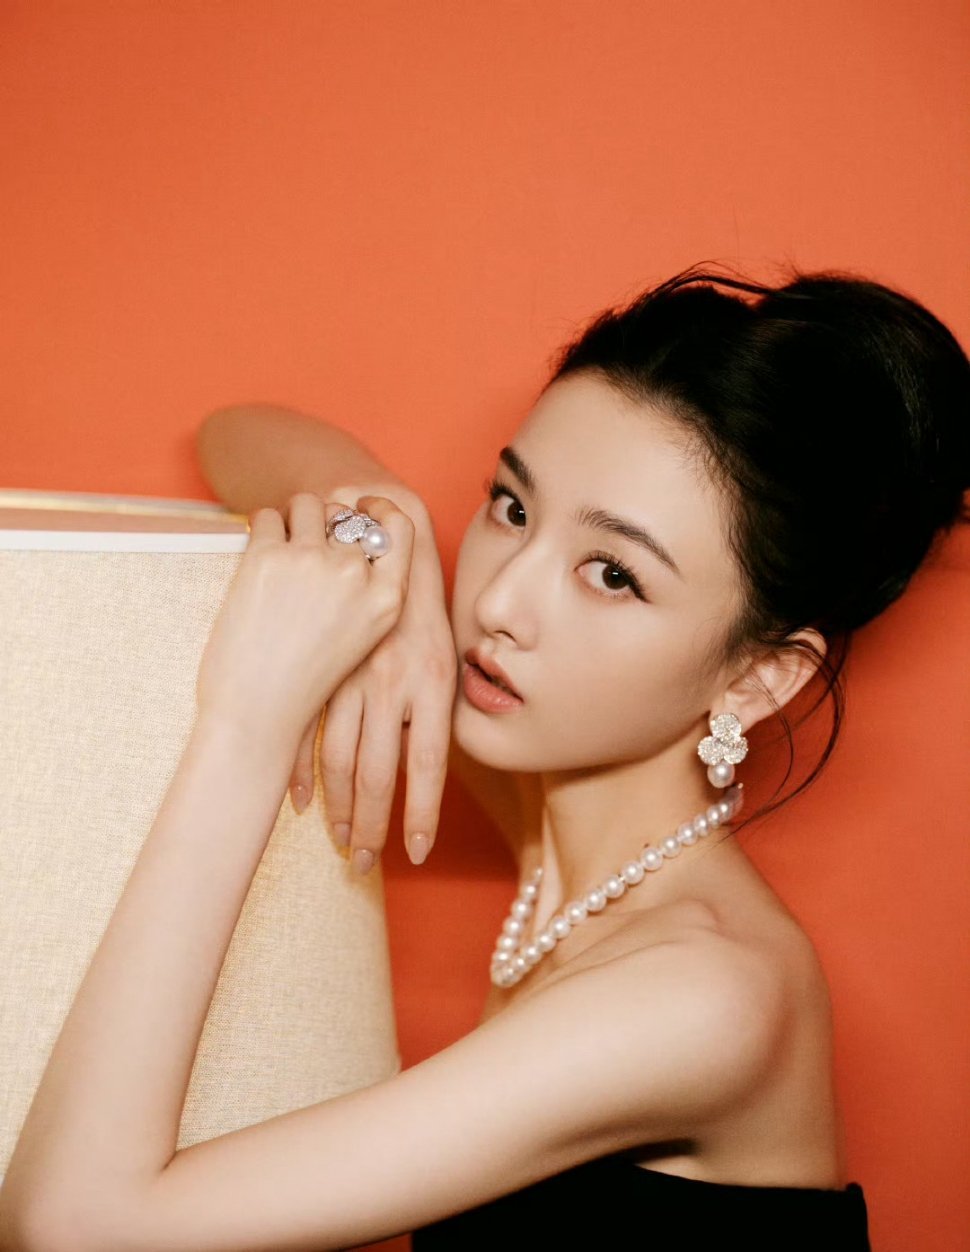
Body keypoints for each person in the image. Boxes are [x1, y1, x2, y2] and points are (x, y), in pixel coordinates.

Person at [4, 265, 968, 1251]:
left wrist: (248, 721)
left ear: (760, 679)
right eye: (512, 507)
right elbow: (237, 432)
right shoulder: (564, 827)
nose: (499, 602)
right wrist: (388, 530)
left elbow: (72, 1224)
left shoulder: (706, 995)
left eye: (612, 574)